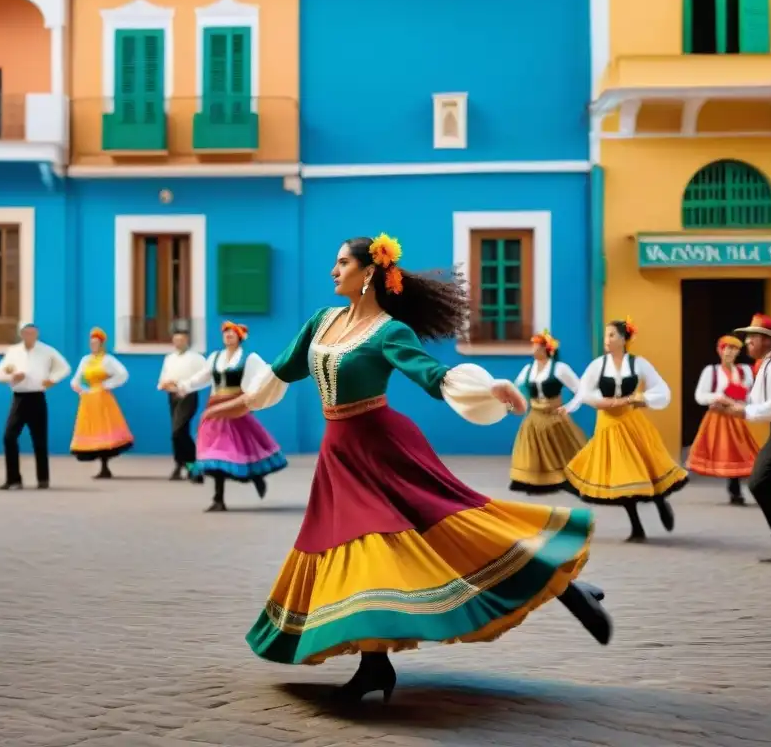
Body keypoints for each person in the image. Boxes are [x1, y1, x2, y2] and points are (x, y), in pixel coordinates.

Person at [208, 234, 609, 703]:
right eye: (334, 263)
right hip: (339, 452)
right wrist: (241, 403)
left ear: (369, 273)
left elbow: (431, 376)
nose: (333, 272)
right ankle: (374, 664)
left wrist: (494, 387)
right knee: (351, 545)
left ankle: (563, 585)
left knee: (444, 529)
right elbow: (281, 370)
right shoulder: (321, 322)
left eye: (341, 263)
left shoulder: (388, 331)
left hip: (384, 445)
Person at [564, 317, 688, 542]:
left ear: (623, 339)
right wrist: (602, 402)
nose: (607, 339)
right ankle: (637, 527)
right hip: (608, 425)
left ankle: (660, 502)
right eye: (606, 335)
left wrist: (639, 398)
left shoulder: (639, 364)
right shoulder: (598, 365)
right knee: (622, 477)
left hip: (632, 422)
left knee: (646, 468)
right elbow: (584, 391)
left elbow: (662, 390)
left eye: (612, 335)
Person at [161, 321, 287, 512]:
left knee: (236, 452)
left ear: (240, 337)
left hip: (235, 407)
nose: (228, 335)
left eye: (232, 333)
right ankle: (218, 498)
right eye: (225, 332)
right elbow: (202, 378)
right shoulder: (215, 358)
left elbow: (264, 376)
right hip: (216, 407)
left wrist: (252, 396)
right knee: (216, 452)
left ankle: (255, 477)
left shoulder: (249, 358)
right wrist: (182, 386)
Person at [711, 314, 771, 563]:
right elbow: (765, 403)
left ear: (768, 340)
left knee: (761, 483)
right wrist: (736, 403)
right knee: (763, 483)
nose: (747, 342)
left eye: (752, 337)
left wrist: (740, 410)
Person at [0, 322, 71, 490]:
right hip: (19, 398)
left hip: (37, 397)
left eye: (33, 333)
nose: (30, 336)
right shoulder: (13, 352)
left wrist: (52, 379)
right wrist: (13, 377)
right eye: (26, 333)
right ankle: (13, 479)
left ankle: (43, 479)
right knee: (9, 436)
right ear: (21, 334)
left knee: (39, 439)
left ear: (37, 334)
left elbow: (64, 367)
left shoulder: (46, 350)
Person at [508, 330, 586, 495]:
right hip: (534, 415)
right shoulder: (528, 369)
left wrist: (570, 406)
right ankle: (535, 480)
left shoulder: (559, 369)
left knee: (562, 449)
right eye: (533, 345)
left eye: (537, 346)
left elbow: (580, 390)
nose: (533, 348)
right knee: (531, 448)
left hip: (554, 415)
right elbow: (515, 388)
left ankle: (564, 478)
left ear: (546, 349)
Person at [686, 334, 758, 505]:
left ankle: (737, 487)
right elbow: (700, 396)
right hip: (717, 418)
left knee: (740, 452)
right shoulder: (711, 371)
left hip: (737, 417)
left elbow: (751, 395)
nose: (730, 352)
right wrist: (718, 397)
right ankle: (734, 489)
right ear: (720, 350)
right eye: (727, 348)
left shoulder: (744, 371)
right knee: (722, 450)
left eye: (734, 349)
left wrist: (741, 400)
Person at [69, 327, 133, 479]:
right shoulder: (85, 360)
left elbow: (123, 374)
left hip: (102, 399)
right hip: (89, 400)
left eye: (96, 343)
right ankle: (101, 465)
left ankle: (105, 466)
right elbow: (76, 379)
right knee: (93, 430)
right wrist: (79, 388)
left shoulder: (108, 360)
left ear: (102, 344)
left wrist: (105, 385)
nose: (93, 346)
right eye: (91, 343)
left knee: (104, 430)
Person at [157, 330, 207, 482]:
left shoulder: (197, 358)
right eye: (175, 340)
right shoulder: (169, 358)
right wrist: (164, 384)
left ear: (187, 340)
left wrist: (186, 386)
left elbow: (205, 377)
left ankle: (193, 466)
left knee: (178, 432)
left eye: (181, 340)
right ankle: (180, 465)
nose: (178, 343)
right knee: (178, 432)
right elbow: (163, 377)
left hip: (187, 396)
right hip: (172, 396)